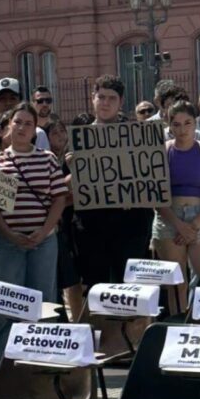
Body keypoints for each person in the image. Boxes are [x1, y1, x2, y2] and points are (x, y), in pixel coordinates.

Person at [0, 102, 67, 363]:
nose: (22, 127)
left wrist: (44, 232)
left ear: (35, 130)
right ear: (9, 125)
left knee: (44, 299)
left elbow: (59, 199)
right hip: (8, 242)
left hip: (44, 241)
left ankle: (44, 357)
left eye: (28, 123)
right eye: (18, 122)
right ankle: (5, 359)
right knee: (6, 301)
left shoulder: (47, 159)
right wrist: (9, 235)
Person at [75, 75, 155, 287]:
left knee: (131, 290)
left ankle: (133, 322)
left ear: (120, 102)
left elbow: (150, 180)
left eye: (111, 98)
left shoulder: (137, 135)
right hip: (92, 228)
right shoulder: (79, 138)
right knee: (96, 290)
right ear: (93, 99)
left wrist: (136, 195)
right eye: (101, 97)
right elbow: (66, 188)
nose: (105, 103)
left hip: (130, 226)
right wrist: (75, 168)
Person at [154, 101, 200, 312]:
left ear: (195, 123)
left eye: (187, 123)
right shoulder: (161, 152)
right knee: (176, 285)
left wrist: (193, 225)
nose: (182, 129)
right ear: (169, 125)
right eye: (176, 124)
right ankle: (178, 328)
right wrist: (178, 224)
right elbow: (155, 195)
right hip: (168, 219)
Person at [44, 119, 84, 321]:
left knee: (74, 278)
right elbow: (54, 195)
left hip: (72, 222)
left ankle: (77, 320)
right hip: (54, 226)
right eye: (54, 133)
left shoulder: (72, 157)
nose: (60, 135)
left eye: (62, 131)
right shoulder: (44, 160)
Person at [0, 78, 50, 150]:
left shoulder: (38, 135)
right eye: (2, 99)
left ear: (20, 101)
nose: (8, 103)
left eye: (12, 98)